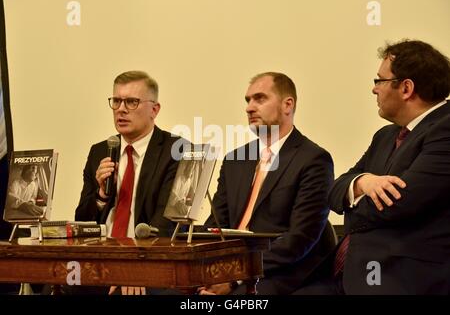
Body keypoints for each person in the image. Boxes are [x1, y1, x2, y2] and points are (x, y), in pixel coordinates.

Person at [294, 39, 450, 295]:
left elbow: (399, 204)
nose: (374, 90)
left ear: (406, 88)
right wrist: (363, 182)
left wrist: (352, 201)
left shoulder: (445, 128)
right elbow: (334, 191)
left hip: (399, 277)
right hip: (346, 273)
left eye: (380, 81)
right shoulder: (385, 136)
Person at [200, 72, 334, 295]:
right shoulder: (236, 160)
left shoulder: (313, 160)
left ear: (287, 105)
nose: (249, 108)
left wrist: (235, 277)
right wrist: (205, 270)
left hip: (280, 272)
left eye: (260, 99)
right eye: (248, 100)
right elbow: (216, 223)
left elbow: (299, 240)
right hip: (230, 269)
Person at [74, 70, 183, 295]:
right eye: (116, 101)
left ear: (155, 109)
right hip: (100, 261)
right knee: (56, 283)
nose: (121, 109)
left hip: (148, 260)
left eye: (132, 102)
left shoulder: (175, 151)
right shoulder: (100, 151)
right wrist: (101, 197)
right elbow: (82, 221)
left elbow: (165, 224)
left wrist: (133, 269)